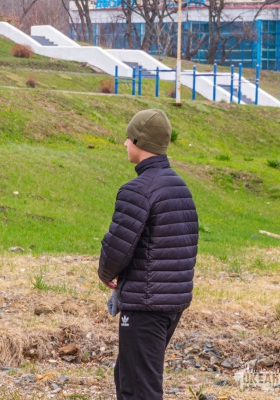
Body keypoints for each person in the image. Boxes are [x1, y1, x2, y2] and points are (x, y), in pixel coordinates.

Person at [98, 109, 199, 400]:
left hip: (146, 304)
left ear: (139, 142)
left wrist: (106, 274)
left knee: (138, 388)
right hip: (171, 303)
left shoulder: (138, 190)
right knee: (130, 376)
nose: (124, 143)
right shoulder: (179, 186)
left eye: (128, 138)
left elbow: (118, 246)